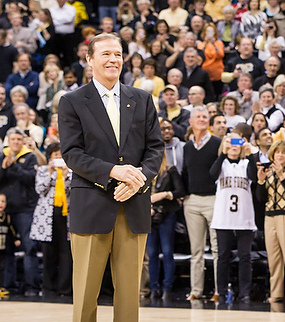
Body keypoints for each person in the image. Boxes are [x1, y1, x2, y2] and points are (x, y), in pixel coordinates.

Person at [58, 33, 164, 322]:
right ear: (89, 59)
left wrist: (137, 179)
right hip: (92, 204)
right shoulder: (72, 101)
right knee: (85, 296)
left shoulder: (142, 99)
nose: (113, 59)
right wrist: (113, 172)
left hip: (133, 205)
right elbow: (72, 154)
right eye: (105, 54)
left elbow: (156, 148)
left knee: (130, 295)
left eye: (117, 54)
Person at [210, 133, 257, 303]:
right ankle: (221, 292)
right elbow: (212, 174)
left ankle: (244, 293)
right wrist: (223, 152)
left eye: (237, 142)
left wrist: (250, 153)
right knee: (223, 256)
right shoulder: (221, 163)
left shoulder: (246, 163)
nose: (234, 145)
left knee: (245, 256)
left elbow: (253, 176)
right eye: (231, 142)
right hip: (223, 218)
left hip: (244, 217)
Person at [181, 106, 221, 301]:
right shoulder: (186, 147)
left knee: (216, 248)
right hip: (192, 201)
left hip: (213, 199)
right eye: (198, 116)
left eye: (205, 116)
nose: (202, 119)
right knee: (196, 250)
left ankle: (218, 291)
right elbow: (184, 174)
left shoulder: (217, 143)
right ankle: (195, 291)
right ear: (190, 121)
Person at [256, 140, 285, 303]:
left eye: (283, 152)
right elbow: (261, 199)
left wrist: (282, 175)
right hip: (270, 217)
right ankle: (276, 293)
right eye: (277, 152)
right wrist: (261, 181)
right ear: (273, 154)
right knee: (274, 258)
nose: (280, 155)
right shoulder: (268, 171)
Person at [29, 142, 72, 297]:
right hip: (46, 217)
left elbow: (73, 190)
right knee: (48, 253)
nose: (58, 158)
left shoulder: (72, 172)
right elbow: (40, 190)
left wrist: (66, 175)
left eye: (61, 155)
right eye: (55, 155)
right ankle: (48, 288)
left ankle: (65, 289)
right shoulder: (42, 170)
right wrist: (51, 173)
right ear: (50, 157)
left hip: (67, 215)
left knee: (66, 252)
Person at [0, 128, 39, 296]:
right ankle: (9, 286)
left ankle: (32, 287)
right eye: (13, 139)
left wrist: (13, 166)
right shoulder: (2, 156)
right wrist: (3, 168)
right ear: (8, 140)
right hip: (6, 210)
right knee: (6, 250)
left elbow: (31, 179)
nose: (16, 142)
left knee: (29, 248)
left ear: (23, 141)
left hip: (25, 209)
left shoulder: (30, 157)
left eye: (18, 139)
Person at [147, 151, 184, 301]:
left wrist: (164, 194)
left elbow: (180, 191)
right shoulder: (144, 172)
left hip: (167, 214)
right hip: (148, 216)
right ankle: (153, 288)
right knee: (152, 253)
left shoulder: (170, 170)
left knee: (168, 251)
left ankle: (167, 288)